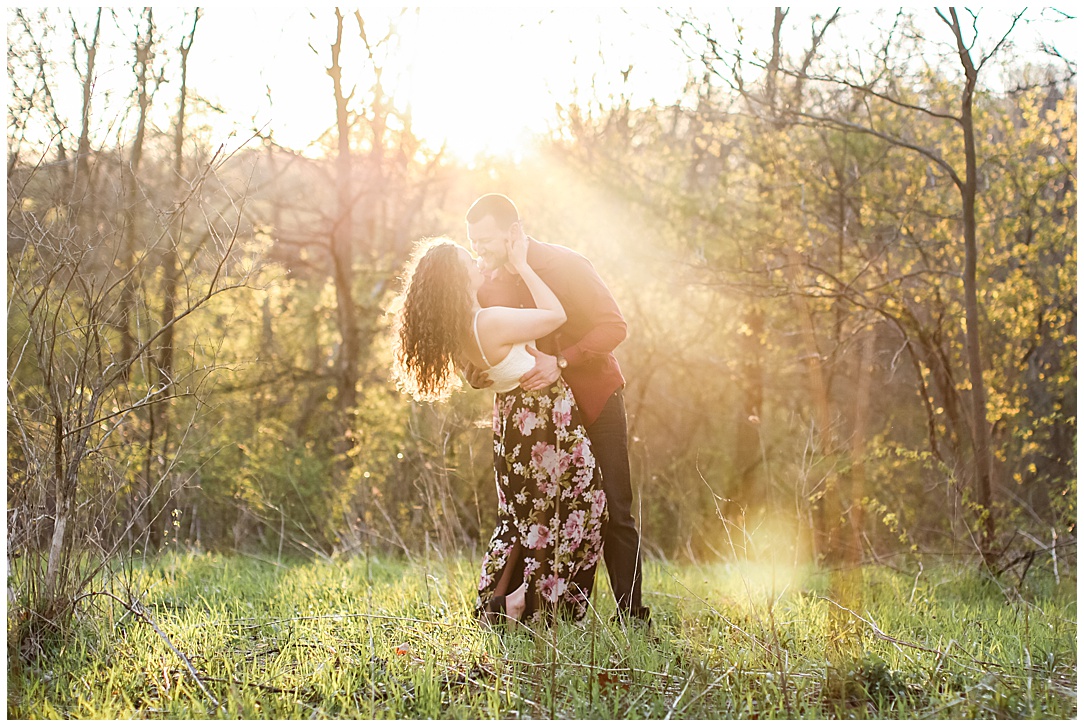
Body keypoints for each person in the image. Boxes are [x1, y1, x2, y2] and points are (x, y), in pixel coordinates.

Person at [391, 230, 607, 626]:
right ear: (457, 280)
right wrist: (523, 265)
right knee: (582, 510)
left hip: (513, 430)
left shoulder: (458, 329)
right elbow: (556, 315)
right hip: (542, 426)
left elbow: (482, 372)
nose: (476, 263)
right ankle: (525, 602)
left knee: (528, 521)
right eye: (466, 262)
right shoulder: (489, 322)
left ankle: (511, 601)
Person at [462, 193, 651, 626]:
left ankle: (633, 620)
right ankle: (535, 611)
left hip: (593, 401)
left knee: (616, 511)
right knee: (534, 513)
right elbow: (484, 344)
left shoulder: (567, 265)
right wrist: (477, 370)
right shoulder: (488, 285)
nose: (481, 251)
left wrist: (561, 361)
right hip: (536, 422)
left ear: (513, 232)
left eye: (486, 240)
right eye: (474, 243)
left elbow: (614, 327)